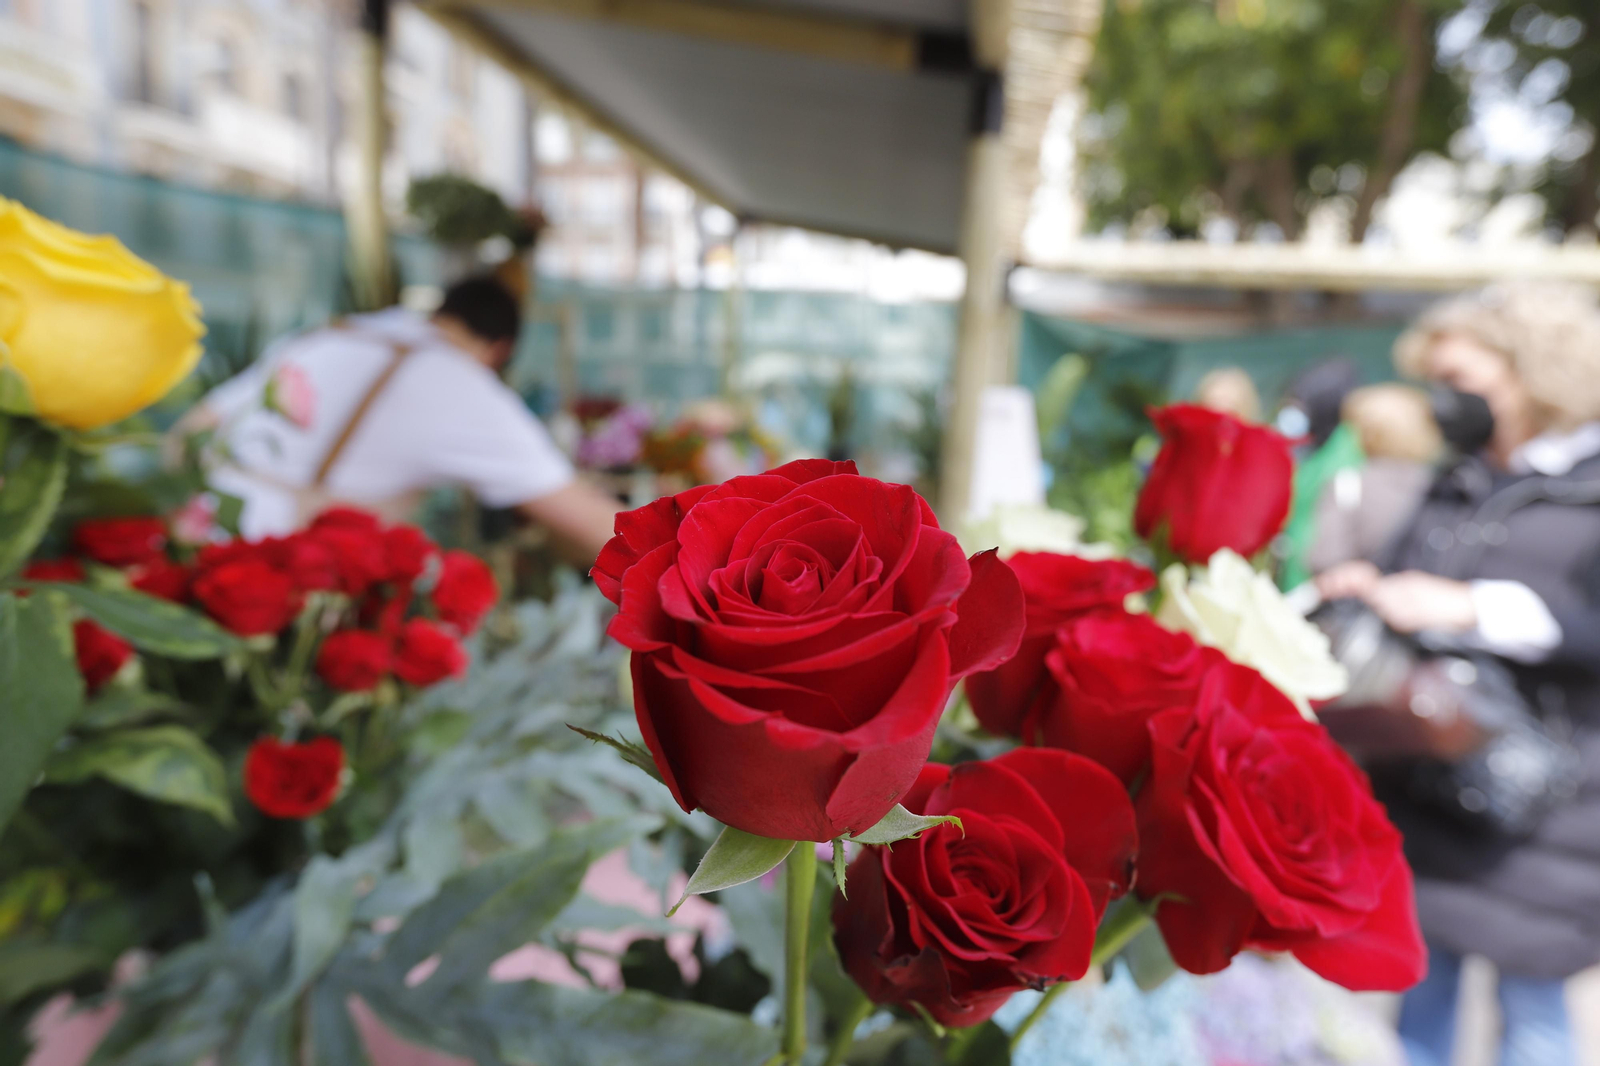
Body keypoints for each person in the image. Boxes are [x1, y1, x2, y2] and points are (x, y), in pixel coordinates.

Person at [1316, 283, 1600, 1066]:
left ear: (1537, 374)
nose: (1448, 402)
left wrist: (1478, 606)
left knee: (1533, 1013)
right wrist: (1370, 586)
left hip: (1550, 809)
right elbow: (1409, 577)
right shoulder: (1455, 480)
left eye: (1465, 384)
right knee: (1418, 998)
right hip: (1435, 785)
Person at [180, 277, 619, 560]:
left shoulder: (338, 332)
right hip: (281, 572)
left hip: (191, 539)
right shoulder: (465, 387)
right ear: (500, 351)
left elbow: (194, 428)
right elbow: (592, 523)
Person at [1305, 383, 1442, 575]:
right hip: (1436, 595)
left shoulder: (1348, 484)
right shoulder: (1448, 483)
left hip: (1364, 598)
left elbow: (1324, 558)